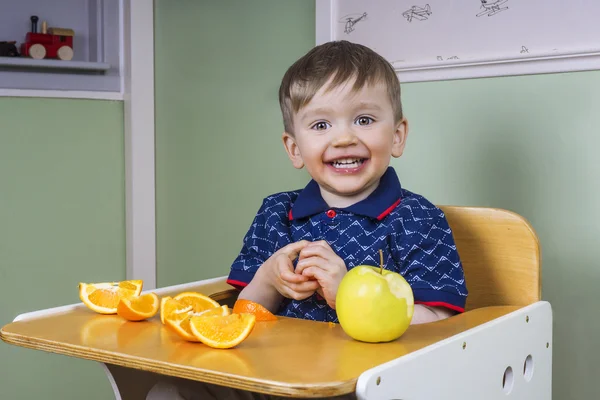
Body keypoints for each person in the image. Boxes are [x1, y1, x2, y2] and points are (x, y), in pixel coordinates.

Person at [148, 40, 467, 400]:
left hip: (363, 387)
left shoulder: (418, 218)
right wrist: (268, 278)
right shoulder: (276, 214)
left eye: (364, 120)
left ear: (396, 136)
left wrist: (348, 295)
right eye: (320, 124)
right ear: (295, 149)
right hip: (270, 378)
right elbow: (242, 314)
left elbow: (442, 324)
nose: (344, 137)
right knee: (169, 390)